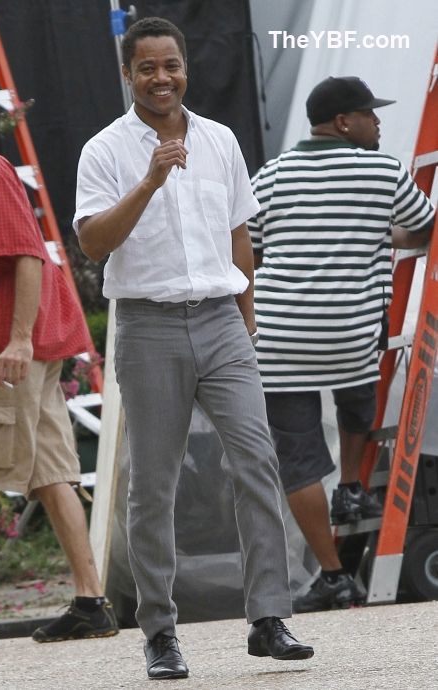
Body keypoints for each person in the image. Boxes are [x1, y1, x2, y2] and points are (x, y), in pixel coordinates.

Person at [74, 16, 313, 681]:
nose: (162, 78)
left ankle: (269, 617)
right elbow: (92, 244)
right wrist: (149, 181)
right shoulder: (104, 150)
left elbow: (239, 234)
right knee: (153, 485)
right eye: (148, 68)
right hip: (147, 326)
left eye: (171, 65)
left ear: (186, 68)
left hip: (221, 321)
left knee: (257, 461)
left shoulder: (220, 140)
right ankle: (159, 631)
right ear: (128, 74)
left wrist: (247, 321)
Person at [0, 71, 119, 648]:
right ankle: (91, 603)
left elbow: (28, 257)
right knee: (51, 473)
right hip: (28, 351)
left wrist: (17, 340)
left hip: (7, 352)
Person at [249, 76, 436, 613]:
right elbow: (426, 229)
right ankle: (352, 484)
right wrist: (378, 234)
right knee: (358, 402)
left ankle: (332, 576)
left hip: (279, 336)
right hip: (351, 331)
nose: (377, 122)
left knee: (299, 459)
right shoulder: (383, 171)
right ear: (342, 122)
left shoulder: (272, 174)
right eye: (369, 114)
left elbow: (251, 246)